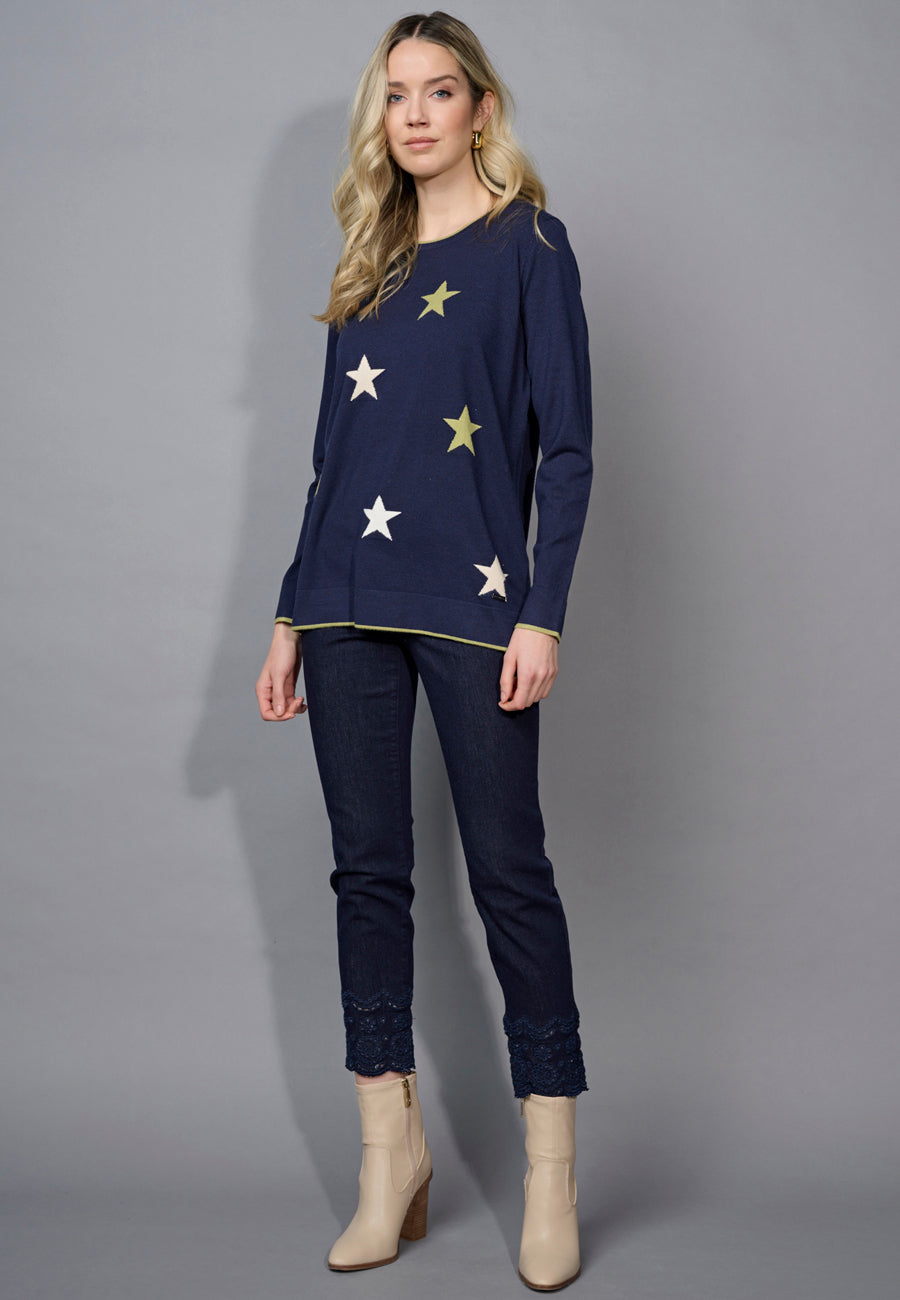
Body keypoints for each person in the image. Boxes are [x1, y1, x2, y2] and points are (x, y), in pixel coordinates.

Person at [255, 11, 592, 1291]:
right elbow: (332, 459)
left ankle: (551, 1168)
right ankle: (387, 1158)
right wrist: (289, 612)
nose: (413, 115)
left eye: (438, 92)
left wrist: (542, 612)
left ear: (480, 108)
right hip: (345, 599)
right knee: (368, 875)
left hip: (476, 601)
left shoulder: (530, 249)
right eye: (395, 94)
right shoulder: (369, 253)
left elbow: (569, 450)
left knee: (510, 872)